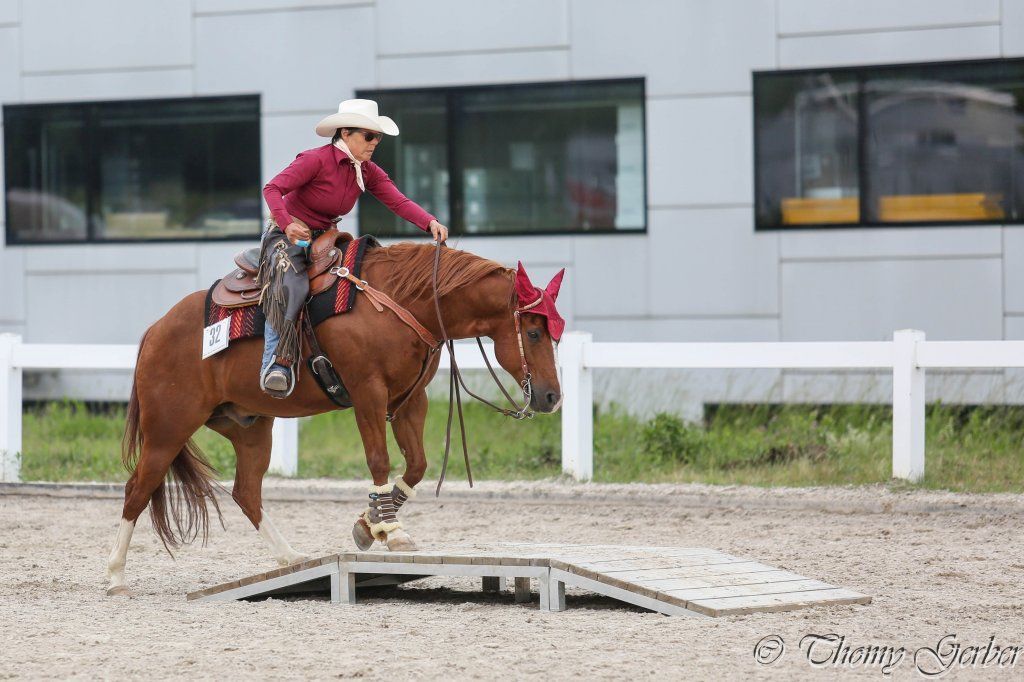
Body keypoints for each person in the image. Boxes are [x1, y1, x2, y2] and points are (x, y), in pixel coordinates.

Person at [258, 98, 449, 396]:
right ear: (345, 133)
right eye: (368, 136)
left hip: (326, 238)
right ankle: (276, 363)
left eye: (378, 138)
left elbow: (397, 201)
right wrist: (286, 224)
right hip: (288, 235)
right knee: (292, 284)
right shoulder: (315, 160)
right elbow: (272, 189)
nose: (374, 143)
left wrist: (429, 223)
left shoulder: (367, 170)